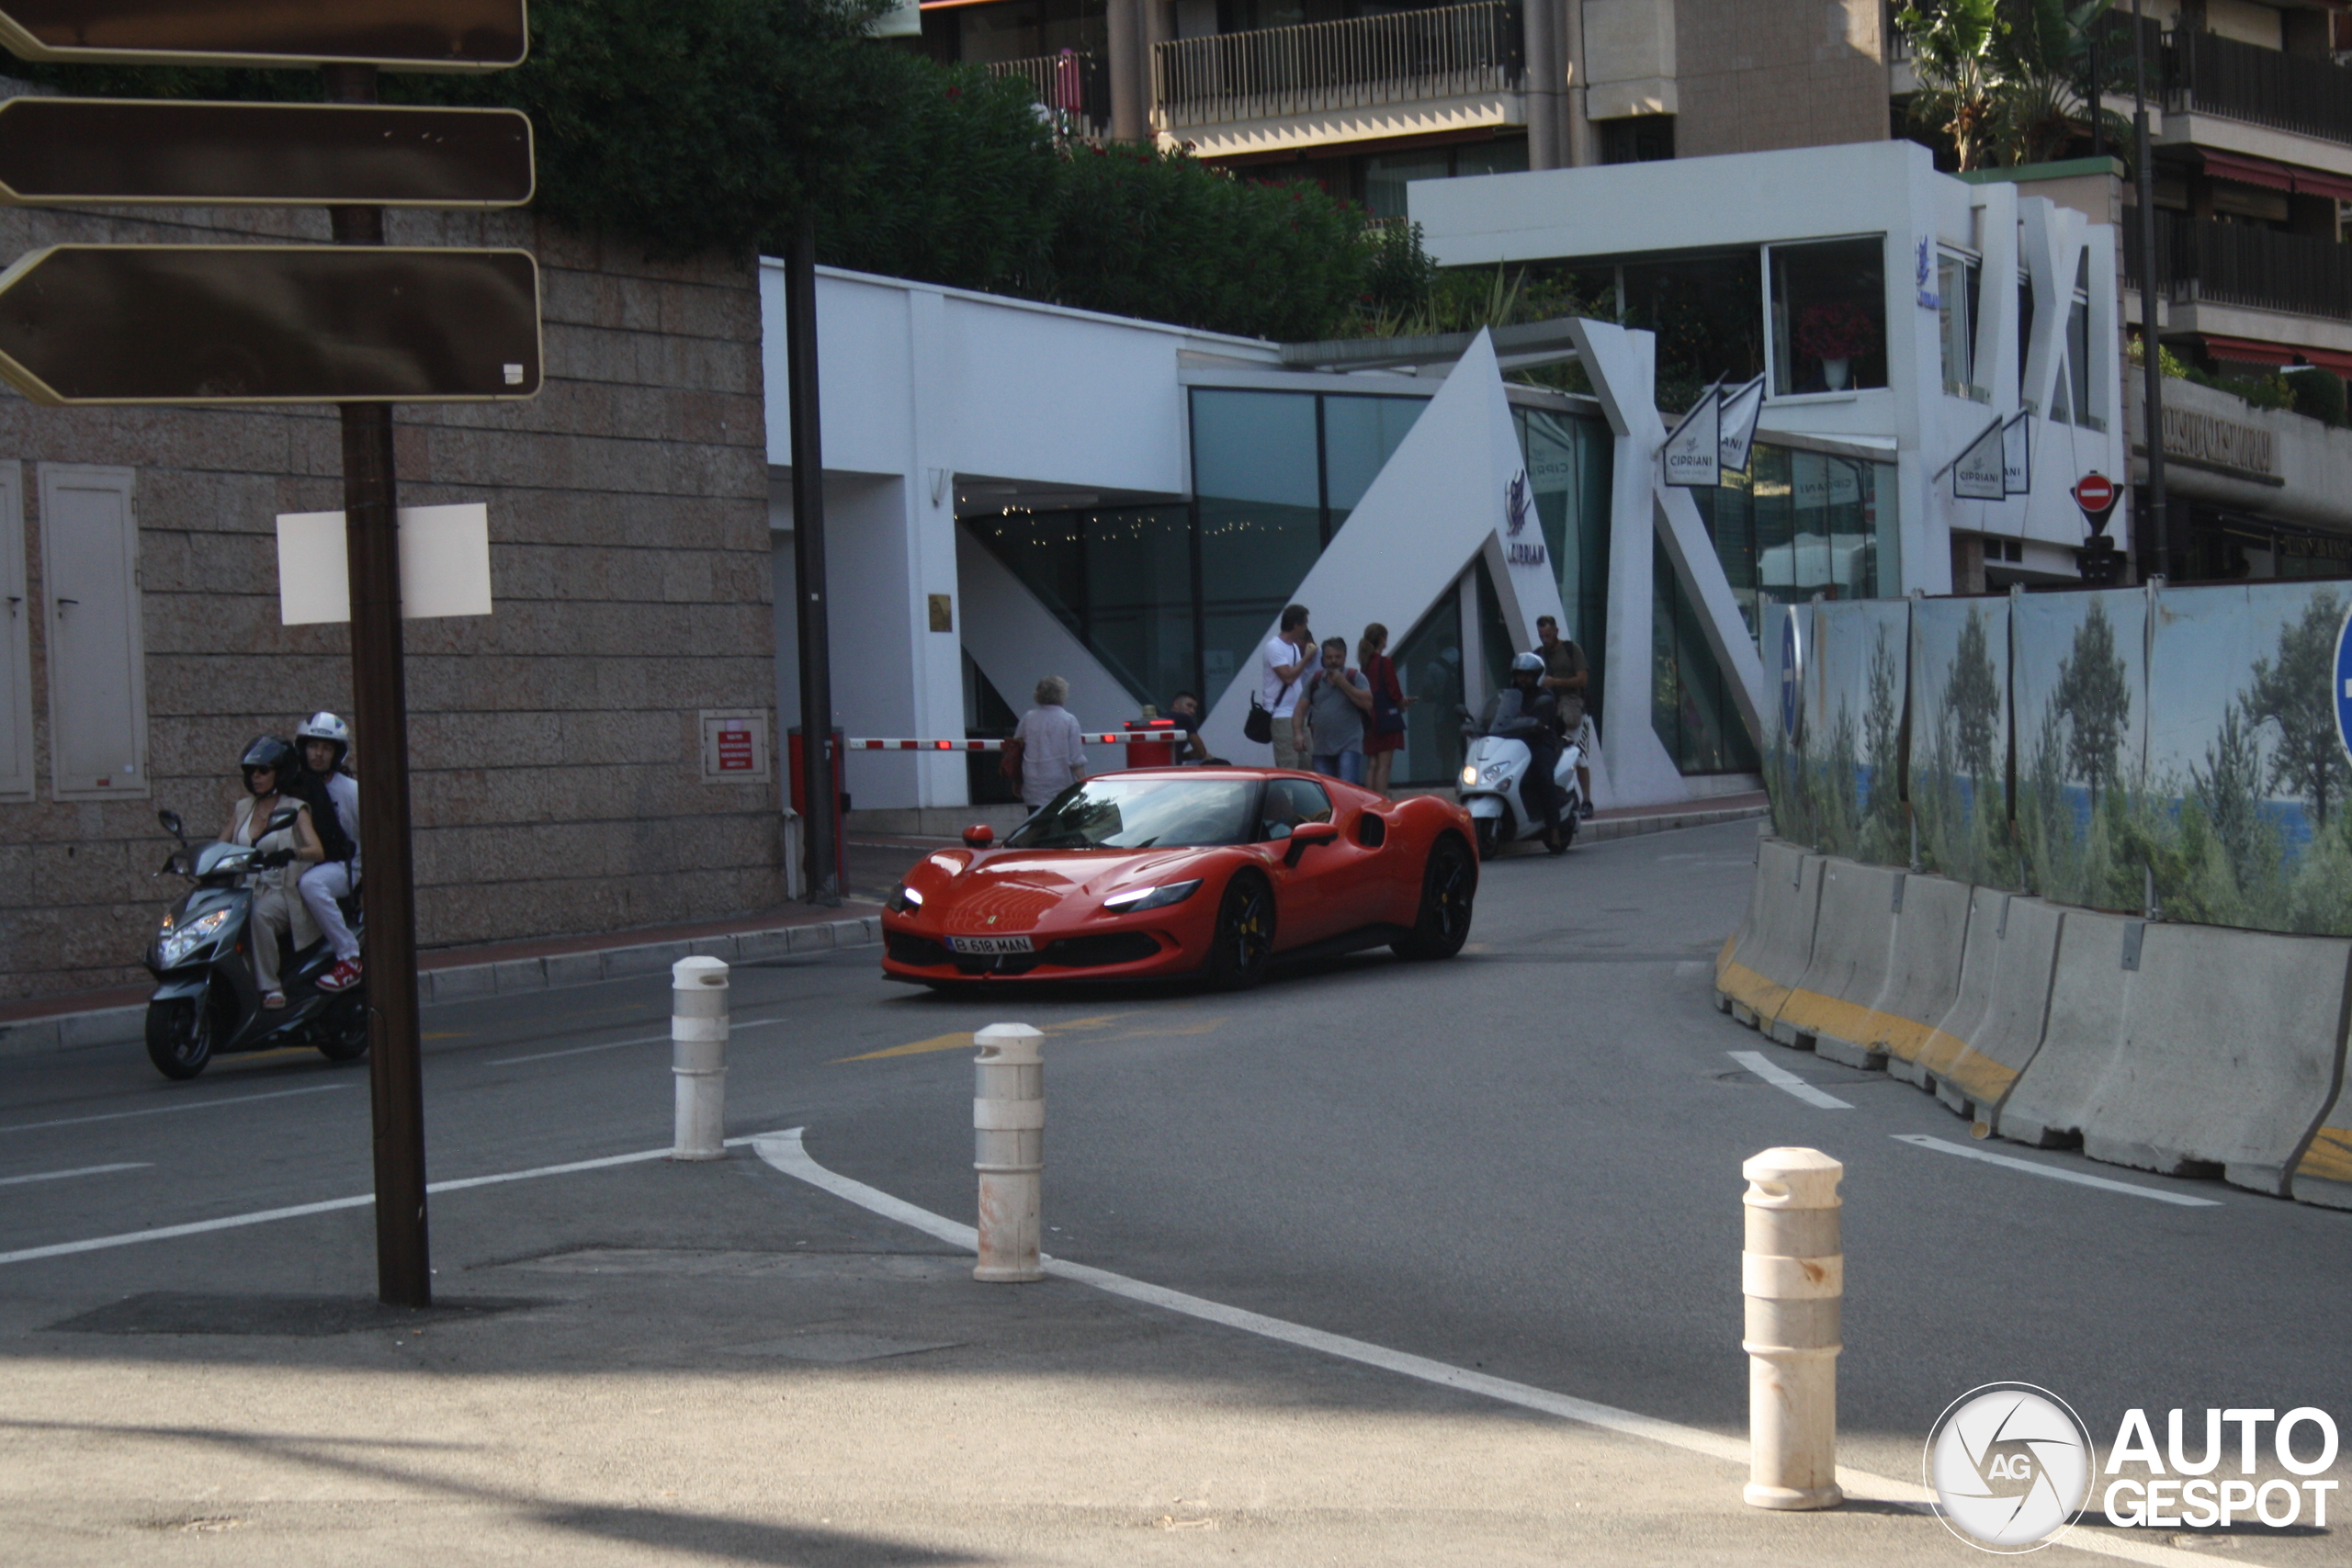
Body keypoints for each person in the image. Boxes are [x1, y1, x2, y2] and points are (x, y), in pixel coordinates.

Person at [220, 735, 323, 1009]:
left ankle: (271, 988)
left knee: (259, 915)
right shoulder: (243, 807)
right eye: (250, 771)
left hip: (282, 892)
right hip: (245, 889)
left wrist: (291, 853)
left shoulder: (294, 808)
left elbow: (317, 850)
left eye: (262, 770)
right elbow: (220, 844)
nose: (255, 776)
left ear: (280, 773)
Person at [291, 712, 364, 993]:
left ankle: (349, 957)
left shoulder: (351, 791)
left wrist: (366, 883)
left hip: (344, 865)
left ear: (336, 753)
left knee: (311, 884)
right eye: (313, 746)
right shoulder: (293, 785)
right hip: (302, 860)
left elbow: (368, 837)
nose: (318, 754)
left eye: (326, 748)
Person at [1503, 651, 1566, 852]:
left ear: (1536, 675)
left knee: (1543, 776)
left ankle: (1554, 829)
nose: (1522, 678)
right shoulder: (1510, 695)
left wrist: (1527, 720)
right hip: (1515, 743)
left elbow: (1540, 721)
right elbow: (1500, 716)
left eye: (1527, 675)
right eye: (1519, 674)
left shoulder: (1545, 696)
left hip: (1539, 742)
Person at [1536, 615, 1595, 818]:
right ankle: (1563, 800)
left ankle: (1587, 800)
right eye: (1542, 635)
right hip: (1549, 711)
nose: (1545, 639)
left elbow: (1582, 679)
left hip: (1572, 709)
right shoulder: (1538, 655)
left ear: (1556, 632)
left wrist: (1555, 682)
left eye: (1549, 635)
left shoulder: (1571, 650)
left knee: (1578, 757)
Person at [1294, 636, 1372, 785]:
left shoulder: (1354, 677)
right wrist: (1298, 733)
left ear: (1344, 657)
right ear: (1323, 658)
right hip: (1322, 747)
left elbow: (1368, 702)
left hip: (1349, 744)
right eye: (1329, 657)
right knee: (1325, 789)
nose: (1334, 661)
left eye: (1338, 657)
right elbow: (1300, 709)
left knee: (1347, 785)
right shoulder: (1315, 680)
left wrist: (1343, 684)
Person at [1012, 676, 1087, 809]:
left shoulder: (1028, 718)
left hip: (1033, 784)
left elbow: (1017, 749)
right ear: (1062, 694)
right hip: (1061, 785)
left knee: (1037, 826)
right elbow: (1076, 759)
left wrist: (1017, 782)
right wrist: (1083, 784)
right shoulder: (1069, 720)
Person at [1259, 604, 1314, 771]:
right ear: (1296, 625)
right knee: (1289, 765)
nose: (1306, 628)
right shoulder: (1274, 646)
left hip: (1297, 714)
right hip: (1281, 714)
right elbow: (1288, 677)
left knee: (1309, 763)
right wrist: (1306, 658)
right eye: (1304, 623)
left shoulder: (1294, 647)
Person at [1358, 622, 1409, 797]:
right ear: (1382, 639)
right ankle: (1381, 799)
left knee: (1372, 762)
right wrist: (1402, 704)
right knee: (1384, 764)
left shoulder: (1364, 664)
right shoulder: (1384, 662)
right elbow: (1393, 691)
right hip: (1386, 718)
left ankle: (1370, 799)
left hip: (1370, 718)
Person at [1167, 691, 1216, 764]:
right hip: (1173, 769)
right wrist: (1180, 756)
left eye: (1194, 708)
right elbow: (1201, 752)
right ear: (1176, 704)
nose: (1192, 711)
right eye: (1189, 706)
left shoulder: (1160, 719)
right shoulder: (1184, 718)